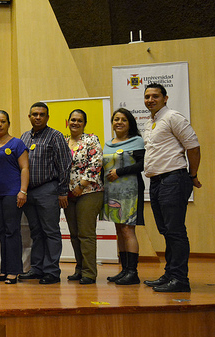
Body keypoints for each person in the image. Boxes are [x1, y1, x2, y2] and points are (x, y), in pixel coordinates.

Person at [142, 83, 201, 293]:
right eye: (147, 96)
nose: (150, 100)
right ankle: (170, 274)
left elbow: (193, 146)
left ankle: (180, 279)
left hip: (174, 179)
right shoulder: (151, 122)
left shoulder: (173, 117)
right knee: (167, 231)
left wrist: (192, 175)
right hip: (157, 182)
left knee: (175, 231)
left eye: (155, 96)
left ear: (165, 98)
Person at [18, 102, 72, 285]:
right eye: (34, 114)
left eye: (41, 114)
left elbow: (65, 165)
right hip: (28, 191)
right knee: (36, 232)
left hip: (48, 189)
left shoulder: (55, 136)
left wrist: (63, 191)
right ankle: (37, 268)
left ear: (47, 117)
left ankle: (51, 271)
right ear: (29, 117)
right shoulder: (24, 137)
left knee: (50, 231)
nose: (38, 117)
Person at [0, 110, 28, 284]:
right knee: (2, 232)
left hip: (12, 193)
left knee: (12, 230)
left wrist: (23, 191)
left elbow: (25, 168)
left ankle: (14, 271)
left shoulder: (17, 143)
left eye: (3, 121)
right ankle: (4, 269)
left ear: (8, 123)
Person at [102, 108, 145, 285]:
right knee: (119, 230)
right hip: (112, 192)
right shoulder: (108, 143)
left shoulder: (136, 141)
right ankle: (124, 270)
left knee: (128, 230)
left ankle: (133, 272)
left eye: (123, 120)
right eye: (116, 119)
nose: (119, 122)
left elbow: (143, 164)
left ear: (130, 124)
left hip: (130, 192)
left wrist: (119, 172)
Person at [63, 109, 104, 285]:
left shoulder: (91, 139)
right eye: (73, 120)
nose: (75, 123)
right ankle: (79, 269)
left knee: (86, 234)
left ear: (84, 123)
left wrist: (81, 186)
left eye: (79, 120)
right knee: (74, 234)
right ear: (68, 122)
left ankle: (89, 272)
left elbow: (96, 164)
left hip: (89, 192)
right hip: (68, 194)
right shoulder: (63, 141)